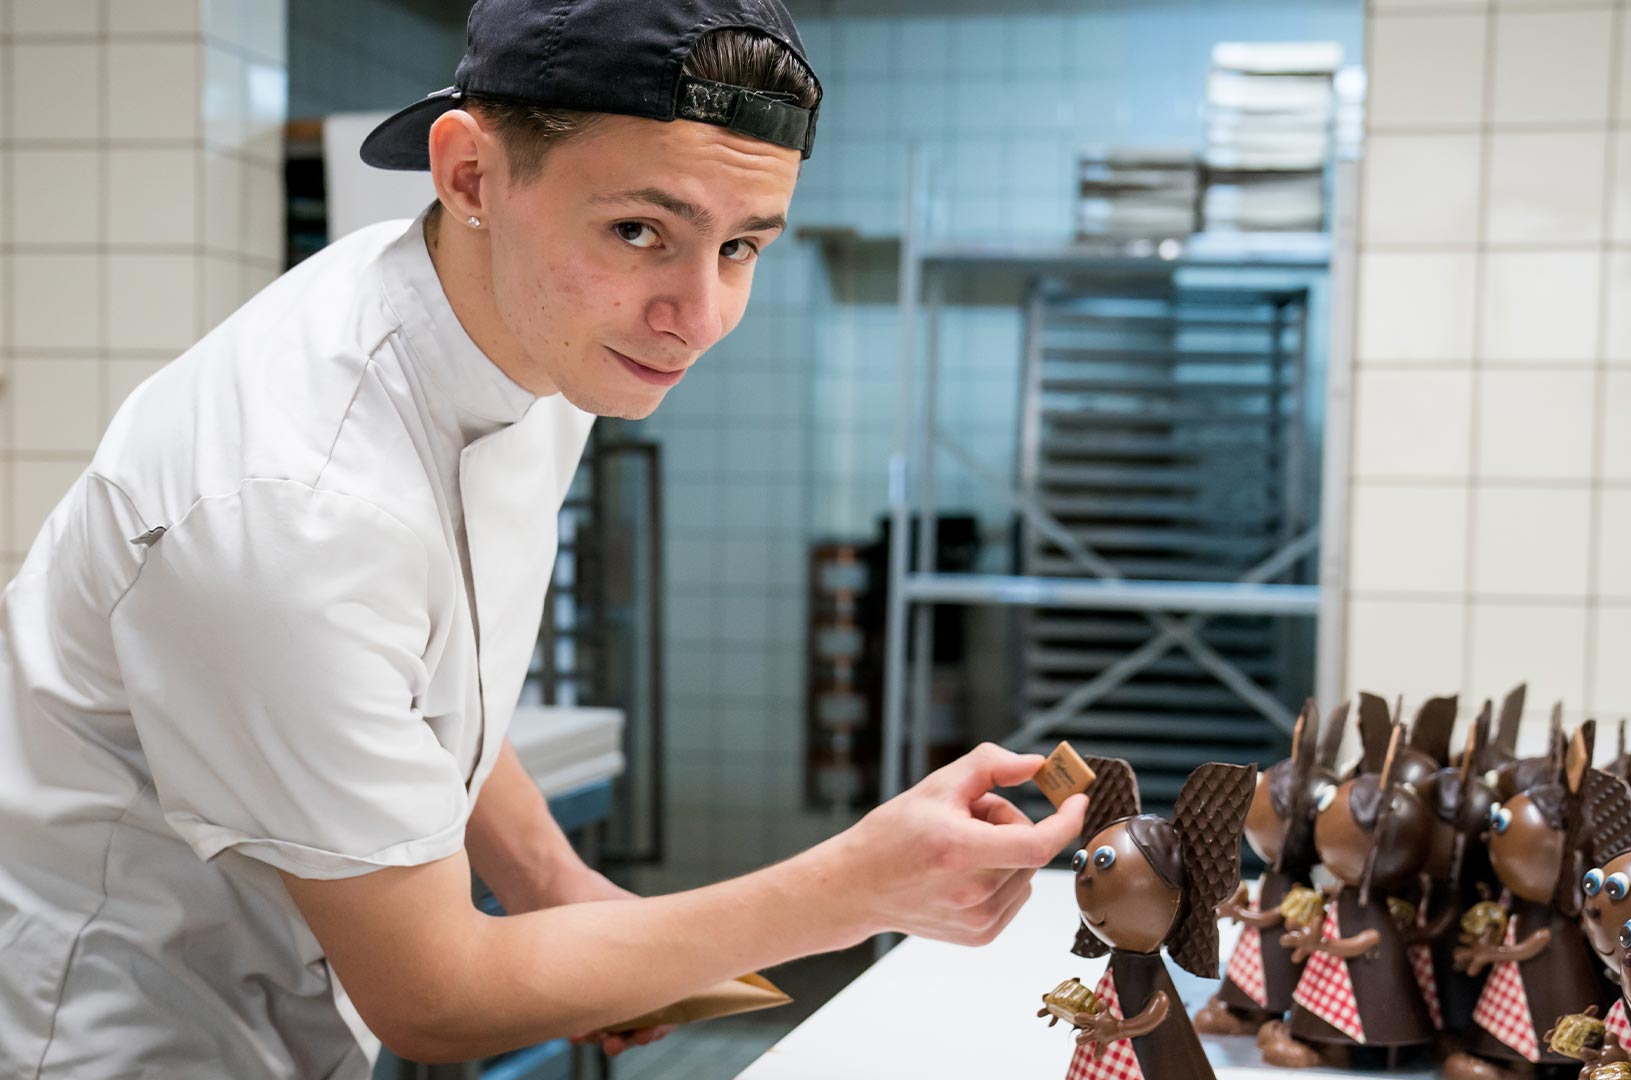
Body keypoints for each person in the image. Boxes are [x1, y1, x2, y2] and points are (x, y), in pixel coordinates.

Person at [0, 1, 1086, 1075]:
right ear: (471, 176)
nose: (698, 316)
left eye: (743, 245)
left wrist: (553, 883)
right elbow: (434, 994)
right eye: (638, 231)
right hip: (105, 1033)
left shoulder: (540, 330)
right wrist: (852, 890)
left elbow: (427, 677)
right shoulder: (291, 500)